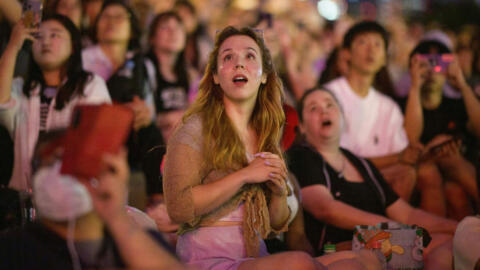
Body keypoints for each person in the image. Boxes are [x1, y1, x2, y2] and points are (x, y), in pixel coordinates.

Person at [163, 26, 378, 270]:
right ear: (215, 76)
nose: (239, 64)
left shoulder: (265, 133)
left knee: (366, 260)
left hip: (255, 256)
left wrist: (277, 192)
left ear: (264, 75)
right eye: (228, 57)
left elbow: (277, 223)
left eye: (249, 56)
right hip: (206, 259)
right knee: (298, 263)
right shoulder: (194, 129)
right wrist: (244, 175)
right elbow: (179, 207)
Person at [287, 87, 458, 270]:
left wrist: (459, 227)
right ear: (302, 127)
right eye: (313, 108)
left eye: (330, 105)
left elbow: (407, 214)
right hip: (332, 248)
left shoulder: (360, 163)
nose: (324, 110)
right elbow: (325, 208)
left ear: (343, 116)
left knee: (448, 243)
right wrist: (393, 228)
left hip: (381, 240)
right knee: (405, 248)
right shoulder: (302, 157)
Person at [0, 132, 185, 270]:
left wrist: (116, 216)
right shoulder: (14, 248)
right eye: (48, 165)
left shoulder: (137, 243)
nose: (59, 176)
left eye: (68, 163)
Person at [0, 14, 111, 192]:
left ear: (74, 46)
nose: (45, 42)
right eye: (39, 36)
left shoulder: (90, 85)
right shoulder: (21, 88)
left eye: (55, 35)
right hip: (24, 199)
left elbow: (96, 139)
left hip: (73, 196)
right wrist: (13, 46)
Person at [324, 21, 420, 200]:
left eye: (378, 44)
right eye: (363, 42)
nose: (371, 50)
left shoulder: (388, 107)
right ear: (346, 54)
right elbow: (337, 159)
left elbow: (403, 154)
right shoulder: (329, 97)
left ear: (384, 57)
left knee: (415, 173)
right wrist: (397, 158)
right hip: (339, 184)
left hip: (379, 182)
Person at [83, 0, 163, 174]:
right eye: (105, 17)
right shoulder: (82, 61)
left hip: (132, 138)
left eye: (119, 17)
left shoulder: (143, 65)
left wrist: (144, 114)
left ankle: (155, 196)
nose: (111, 22)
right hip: (92, 135)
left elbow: (151, 110)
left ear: (132, 28)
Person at [402, 40, 480, 219]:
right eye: (424, 64)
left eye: (438, 64)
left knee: (454, 190)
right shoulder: (402, 105)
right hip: (421, 173)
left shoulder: (458, 105)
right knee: (433, 167)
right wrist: (415, 87)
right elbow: (411, 140)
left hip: (457, 173)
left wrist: (461, 83)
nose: (431, 71)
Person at [145, 11, 198, 143]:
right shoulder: (143, 69)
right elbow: (141, 117)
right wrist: (170, 118)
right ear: (152, 37)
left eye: (179, 27)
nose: (173, 32)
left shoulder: (190, 74)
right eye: (165, 27)